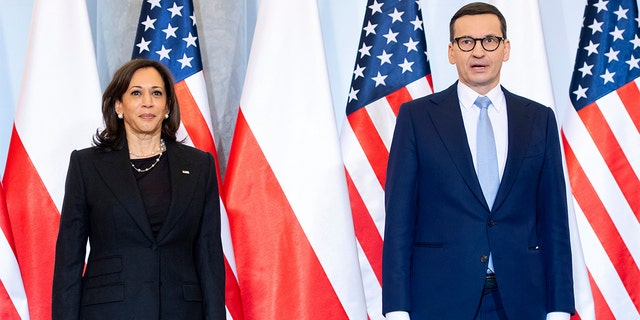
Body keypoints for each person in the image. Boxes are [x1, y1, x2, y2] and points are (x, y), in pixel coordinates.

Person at [382, 2, 574, 320]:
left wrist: (560, 308)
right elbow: (399, 220)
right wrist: (397, 309)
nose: (478, 52)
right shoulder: (417, 118)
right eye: (466, 42)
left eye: (490, 40)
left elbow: (553, 220)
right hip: (439, 300)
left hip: (521, 301)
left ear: (506, 48)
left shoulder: (539, 119)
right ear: (451, 51)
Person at [52, 59, 225, 319]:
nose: (148, 102)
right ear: (118, 105)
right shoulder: (86, 165)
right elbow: (69, 259)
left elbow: (209, 257)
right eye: (136, 93)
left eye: (157, 93)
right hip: (109, 311)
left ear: (167, 106)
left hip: (182, 311)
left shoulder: (200, 166)